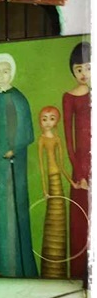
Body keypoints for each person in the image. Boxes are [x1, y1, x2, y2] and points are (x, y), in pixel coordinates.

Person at [0, 53, 37, 278]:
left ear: (12, 72)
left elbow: (27, 130)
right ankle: (5, 265)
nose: (2, 76)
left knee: (15, 208)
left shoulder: (18, 98)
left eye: (5, 71)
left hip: (13, 162)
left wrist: (14, 147)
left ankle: (19, 267)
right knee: (2, 211)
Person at [37, 105, 77, 279]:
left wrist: (72, 182)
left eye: (51, 118)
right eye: (44, 119)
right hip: (50, 182)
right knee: (51, 222)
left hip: (58, 182)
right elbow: (41, 167)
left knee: (59, 221)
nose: (48, 122)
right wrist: (45, 190)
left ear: (56, 121)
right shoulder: (41, 140)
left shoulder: (57, 139)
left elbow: (61, 164)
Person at [62, 41, 90, 280]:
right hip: (80, 168)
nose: (84, 73)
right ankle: (80, 274)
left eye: (89, 68)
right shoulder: (69, 97)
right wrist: (79, 173)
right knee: (81, 223)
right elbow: (69, 140)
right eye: (79, 69)